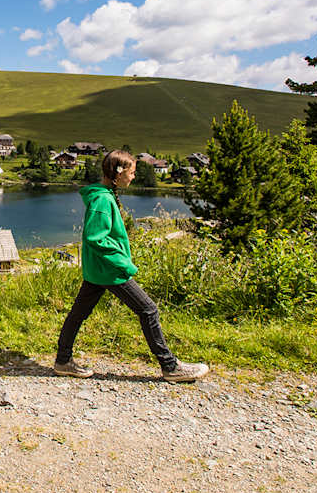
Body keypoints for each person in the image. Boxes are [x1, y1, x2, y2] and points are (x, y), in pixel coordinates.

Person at [54, 149, 209, 383]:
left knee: (78, 314)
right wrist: (123, 263)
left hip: (98, 269)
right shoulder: (102, 200)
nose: (134, 177)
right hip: (110, 270)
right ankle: (170, 366)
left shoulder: (105, 194)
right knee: (148, 309)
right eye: (132, 172)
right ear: (118, 172)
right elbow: (95, 237)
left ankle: (63, 361)